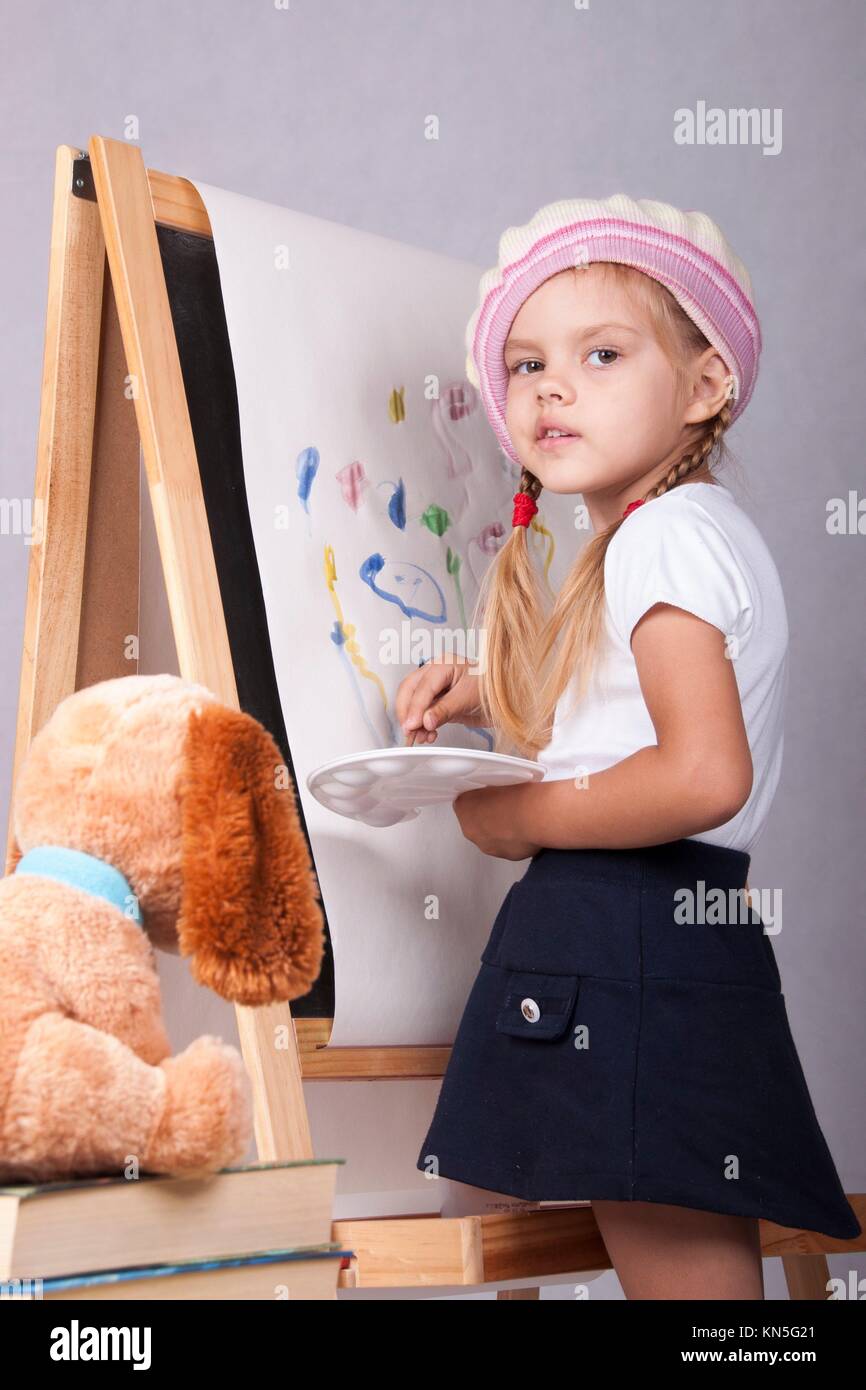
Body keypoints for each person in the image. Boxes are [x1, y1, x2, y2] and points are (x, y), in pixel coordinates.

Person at [396, 194, 861, 1300]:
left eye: (600, 354)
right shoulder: (674, 538)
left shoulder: (659, 538)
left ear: (704, 387)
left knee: (692, 1298)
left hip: (627, 934)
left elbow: (701, 772)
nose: (550, 387)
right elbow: (636, 734)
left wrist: (517, 817)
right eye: (524, 365)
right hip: (652, 936)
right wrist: (505, 712)